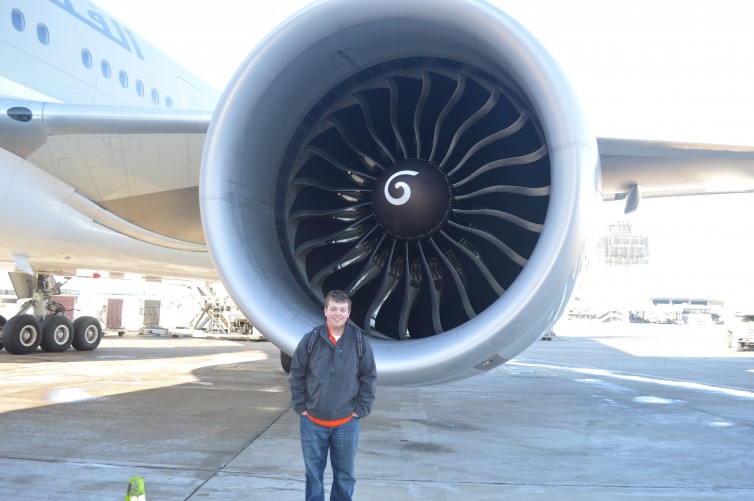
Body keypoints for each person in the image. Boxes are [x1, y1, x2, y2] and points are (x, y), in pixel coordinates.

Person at [289, 290, 377, 501]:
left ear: (349, 313)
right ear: (325, 311)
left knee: (345, 477)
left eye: (342, 310)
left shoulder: (359, 341)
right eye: (333, 309)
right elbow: (297, 374)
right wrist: (300, 407)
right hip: (313, 421)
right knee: (313, 476)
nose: (338, 313)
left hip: (346, 421)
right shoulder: (310, 340)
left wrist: (361, 410)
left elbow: (368, 376)